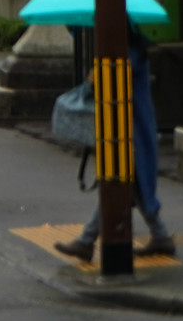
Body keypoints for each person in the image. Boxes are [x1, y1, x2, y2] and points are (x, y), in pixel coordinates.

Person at [55, 23, 176, 261]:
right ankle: (159, 235)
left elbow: (112, 76)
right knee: (129, 186)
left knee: (120, 184)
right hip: (129, 130)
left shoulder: (129, 54)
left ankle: (87, 241)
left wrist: (94, 76)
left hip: (130, 132)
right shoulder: (134, 50)